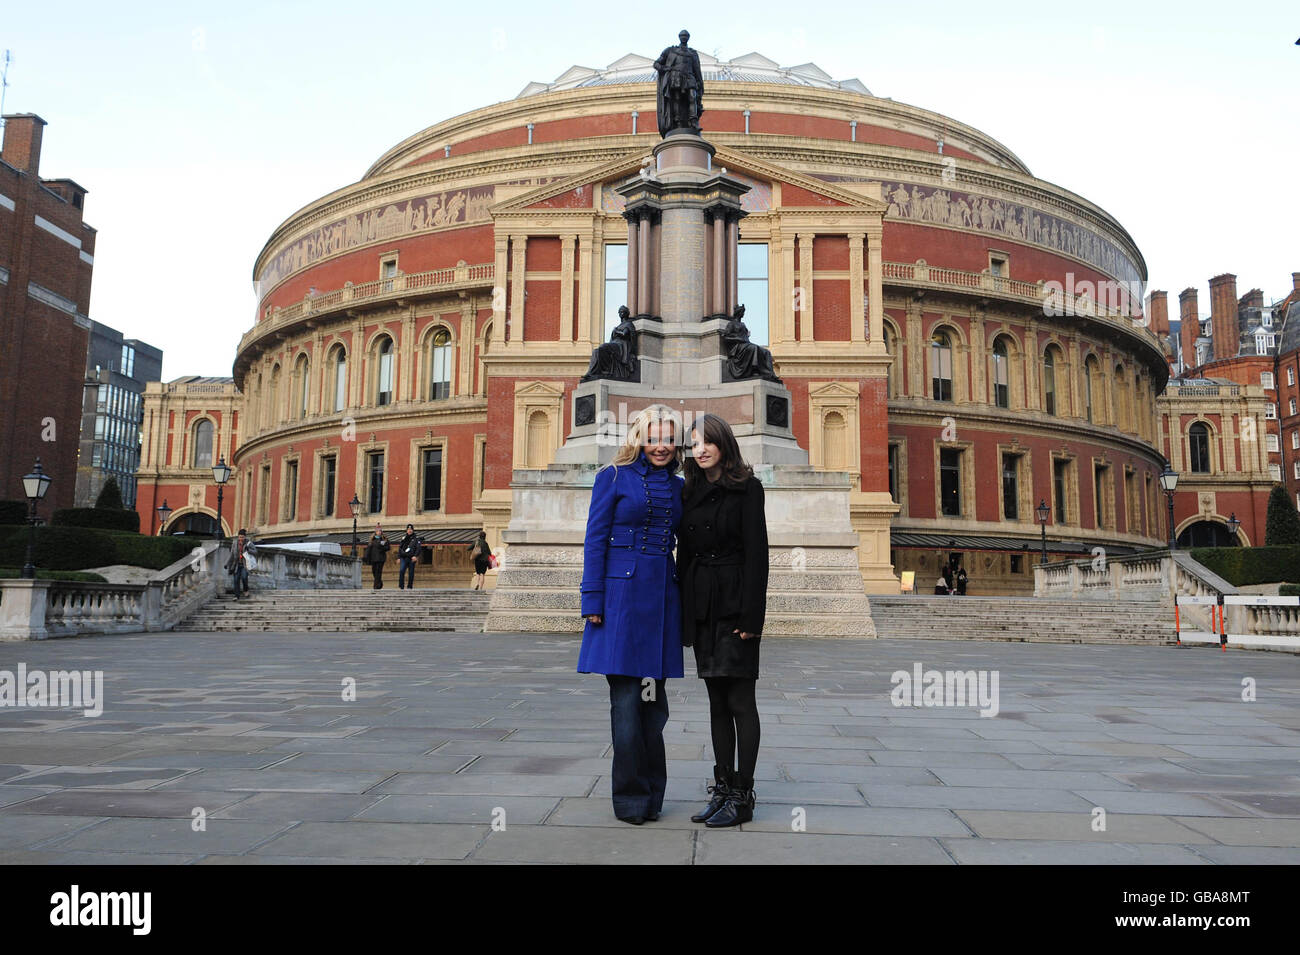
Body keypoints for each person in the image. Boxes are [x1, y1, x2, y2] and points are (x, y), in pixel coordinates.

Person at [579, 404, 684, 825]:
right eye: (653, 437)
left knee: (653, 706)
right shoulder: (613, 477)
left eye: (668, 438)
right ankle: (630, 798)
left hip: (660, 601)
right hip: (620, 603)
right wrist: (592, 600)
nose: (660, 446)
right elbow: (594, 539)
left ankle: (653, 796)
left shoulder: (679, 487)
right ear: (639, 437)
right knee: (626, 704)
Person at [677, 413, 769, 828]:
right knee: (715, 702)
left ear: (723, 444)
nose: (700, 449)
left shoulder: (748, 489)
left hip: (735, 604)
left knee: (740, 701)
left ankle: (744, 793)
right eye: (694, 443)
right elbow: (685, 555)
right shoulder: (689, 491)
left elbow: (758, 555)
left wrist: (753, 616)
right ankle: (723, 788)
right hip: (702, 606)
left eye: (707, 442)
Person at [225, 528, 257, 600]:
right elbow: (232, 554)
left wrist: (249, 550)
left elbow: (255, 551)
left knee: (244, 577)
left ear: (245, 537)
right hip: (236, 565)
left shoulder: (248, 543)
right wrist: (227, 564)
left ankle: (245, 590)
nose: (241, 538)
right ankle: (236, 596)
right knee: (236, 580)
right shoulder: (235, 543)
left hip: (245, 565)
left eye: (242, 537)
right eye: (239, 537)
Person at [364, 524, 390, 589]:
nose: (379, 532)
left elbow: (388, 547)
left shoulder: (384, 539)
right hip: (373, 558)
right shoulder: (372, 540)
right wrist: (365, 557)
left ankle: (376, 586)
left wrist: (382, 547)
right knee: (374, 571)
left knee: (378, 571)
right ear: (375, 532)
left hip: (381, 558)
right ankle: (379, 582)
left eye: (380, 531)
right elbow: (368, 549)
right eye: (378, 531)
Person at [397, 524, 421, 590]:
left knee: (411, 572)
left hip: (411, 558)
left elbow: (418, 548)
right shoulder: (403, 538)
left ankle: (409, 586)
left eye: (411, 529)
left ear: (413, 530)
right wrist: (399, 557)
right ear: (406, 530)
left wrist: (415, 556)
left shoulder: (416, 539)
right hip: (403, 557)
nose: (409, 531)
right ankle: (401, 586)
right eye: (408, 529)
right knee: (401, 571)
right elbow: (400, 548)